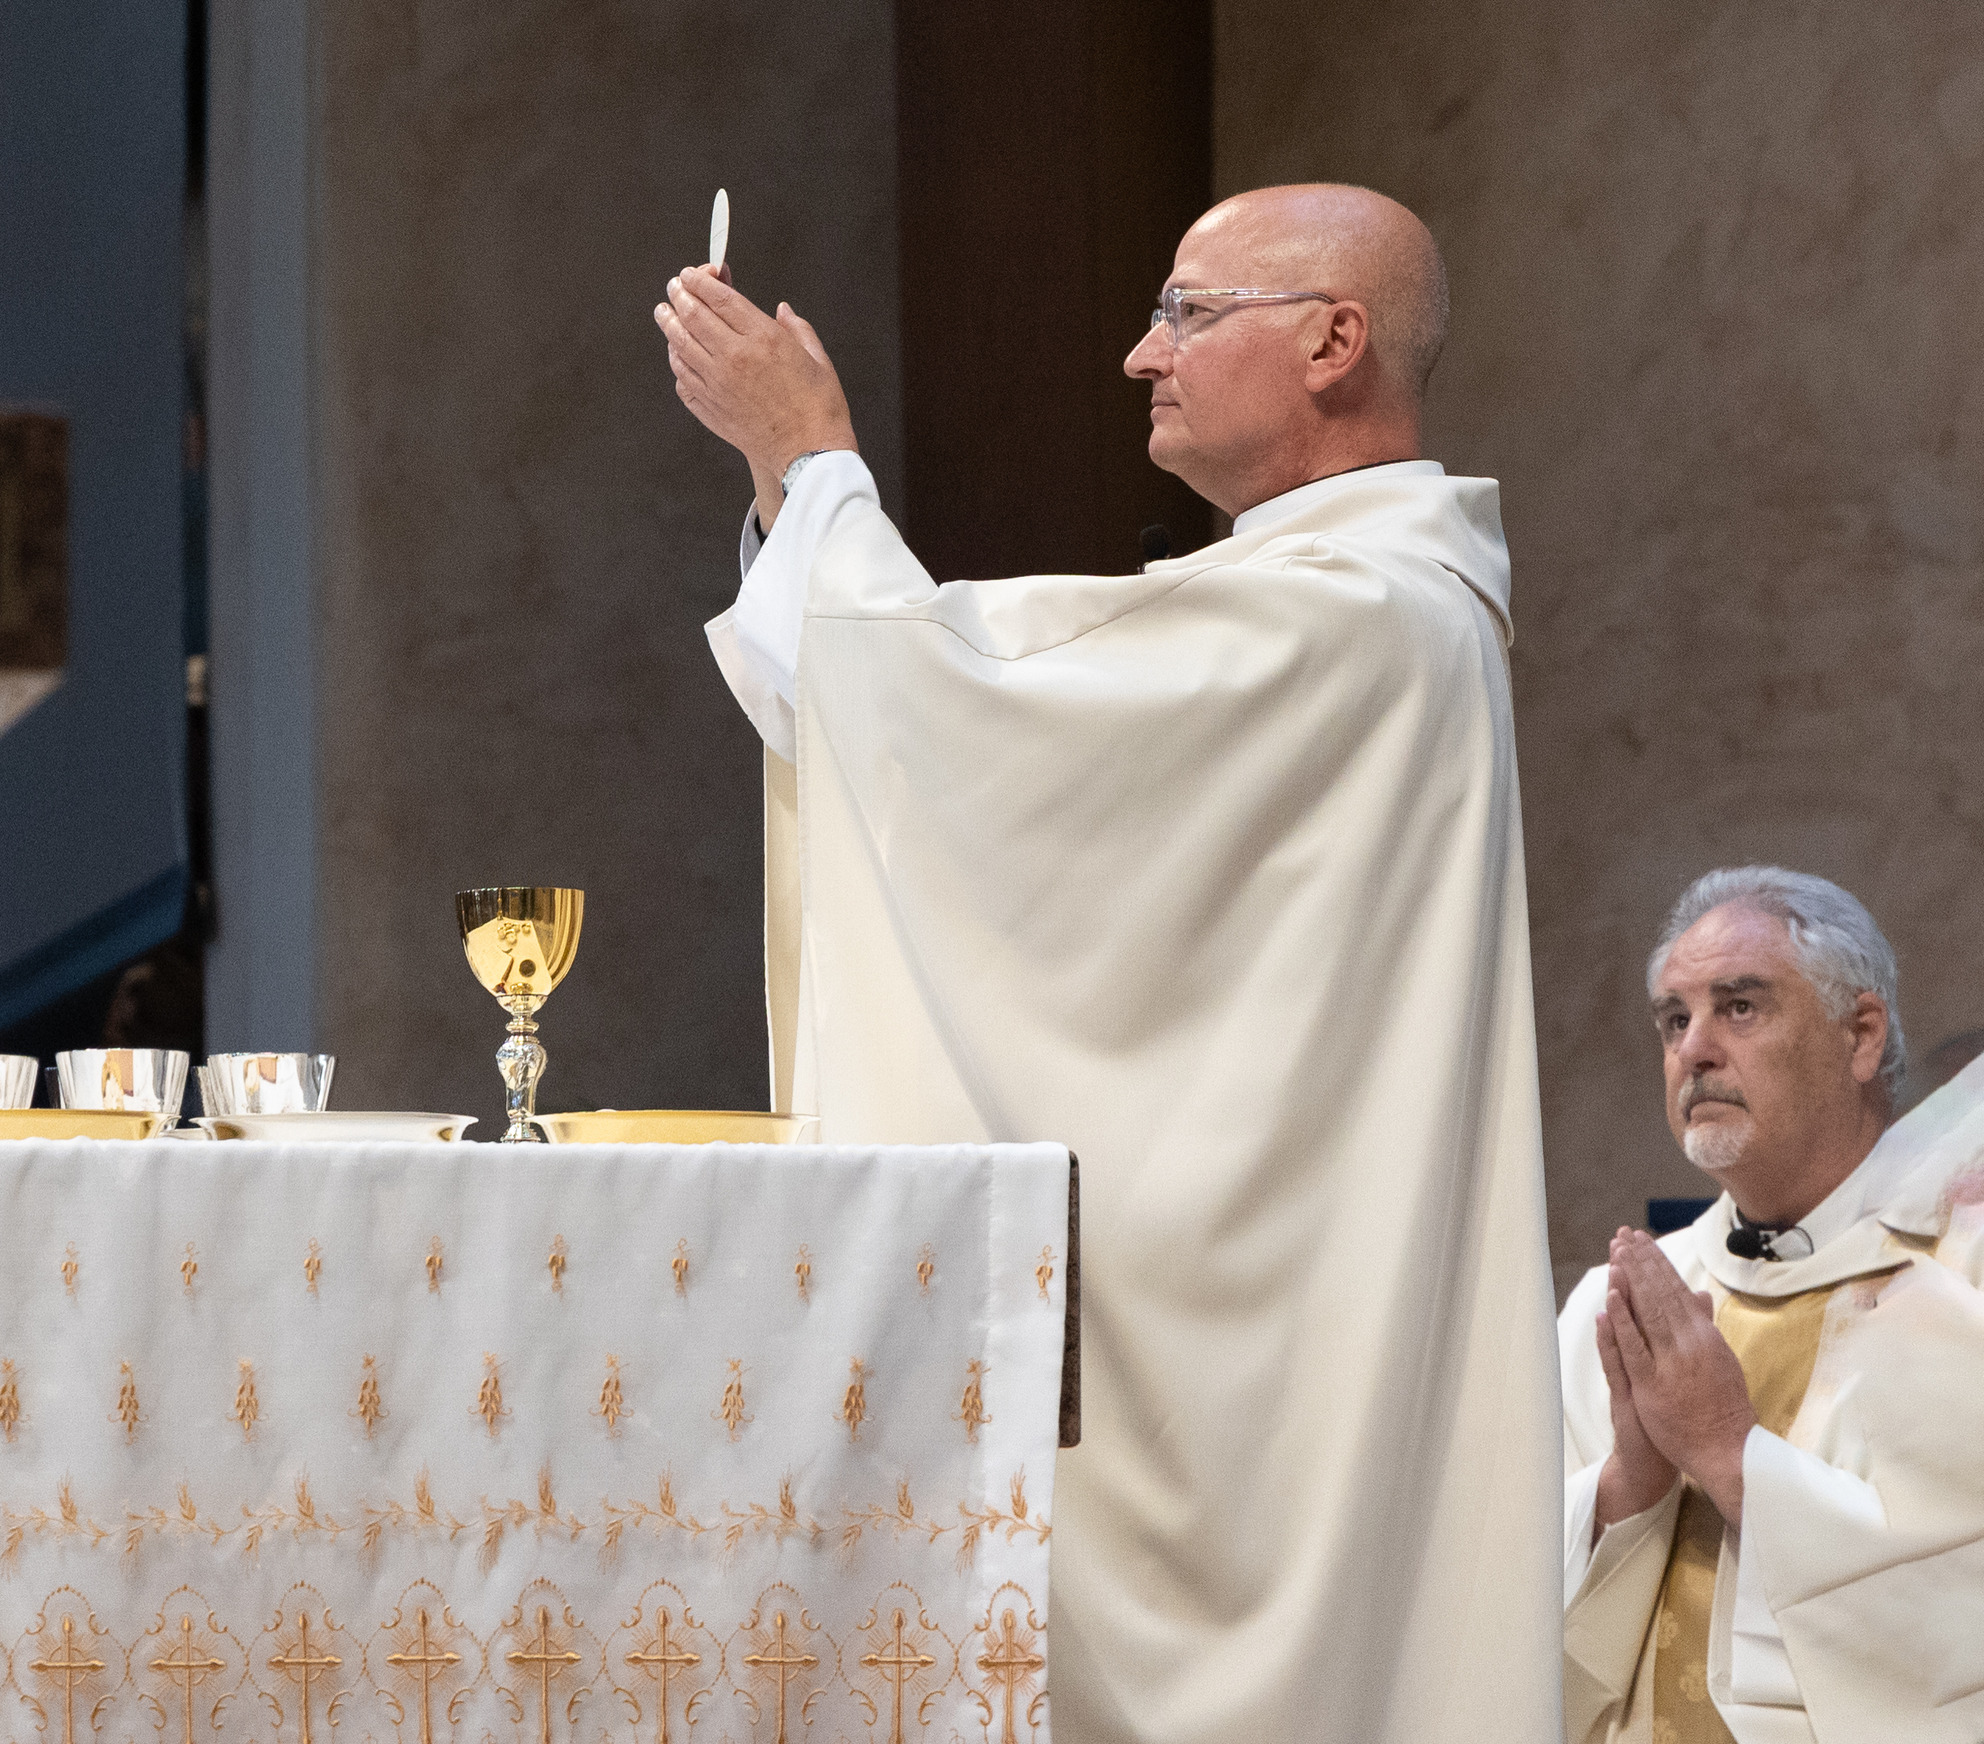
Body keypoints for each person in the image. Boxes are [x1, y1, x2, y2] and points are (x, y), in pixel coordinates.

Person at [656, 183, 1560, 1744]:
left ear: (1336, 340)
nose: (1144, 357)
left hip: (1259, 1367)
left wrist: (810, 461)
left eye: (1187, 314)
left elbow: (956, 726)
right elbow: (919, 707)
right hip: (1260, 1299)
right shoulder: (1338, 600)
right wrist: (790, 484)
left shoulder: (1365, 615)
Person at [1560, 866, 1984, 1743]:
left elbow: (1958, 1612)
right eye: (1675, 1019)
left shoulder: (1960, 1273)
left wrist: (1727, 1453)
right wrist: (1626, 1491)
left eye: (1739, 1007)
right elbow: (1488, 1613)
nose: (1695, 1049)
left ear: (1861, 1036)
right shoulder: (1626, 1300)